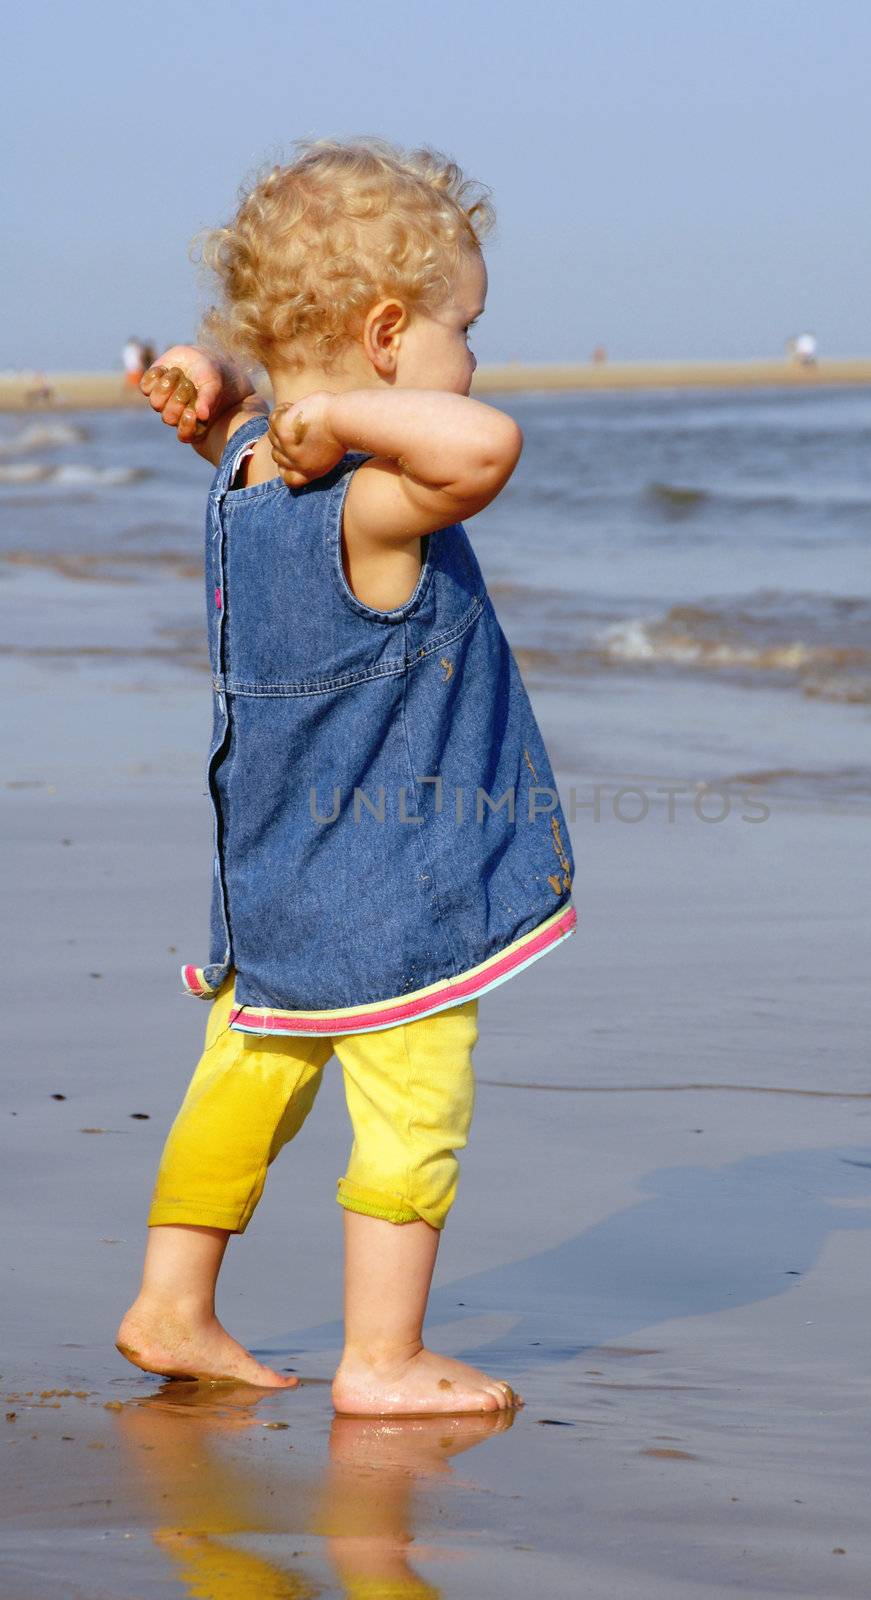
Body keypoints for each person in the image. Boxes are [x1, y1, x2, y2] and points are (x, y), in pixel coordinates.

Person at [116, 137, 578, 1417]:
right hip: (393, 890)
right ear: (386, 336)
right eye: (464, 328)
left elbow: (262, 430)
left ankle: (173, 1300)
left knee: (246, 1076)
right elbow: (485, 444)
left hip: (270, 882)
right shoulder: (375, 505)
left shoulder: (245, 478)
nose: (475, 356)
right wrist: (349, 417)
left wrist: (225, 395)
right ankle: (382, 1357)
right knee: (413, 1104)